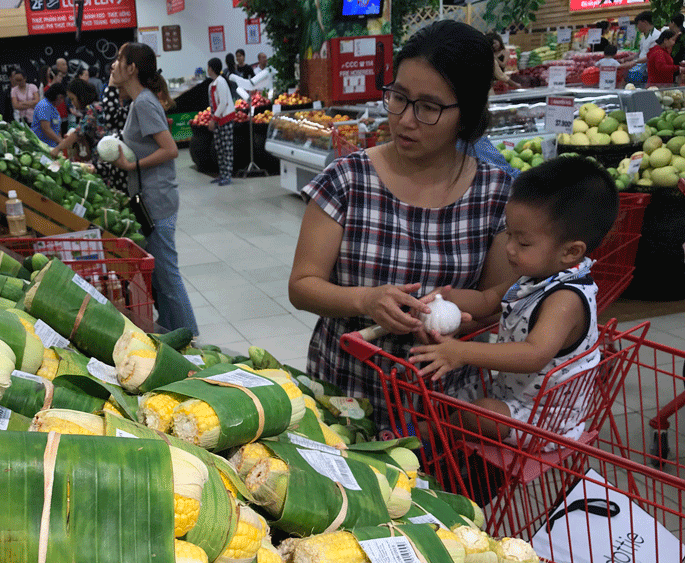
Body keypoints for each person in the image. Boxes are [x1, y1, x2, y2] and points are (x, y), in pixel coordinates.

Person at [288, 21, 513, 428]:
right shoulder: (347, 179)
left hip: (443, 406)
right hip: (348, 394)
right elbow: (302, 286)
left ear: (467, 113)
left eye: (428, 107)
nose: (406, 119)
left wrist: (454, 323)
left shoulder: (495, 193)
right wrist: (365, 300)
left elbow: (496, 301)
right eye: (398, 97)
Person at [407, 156, 619, 447]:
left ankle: (427, 435)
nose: (509, 249)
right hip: (512, 394)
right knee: (453, 395)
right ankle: (437, 435)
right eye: (509, 235)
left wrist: (461, 351)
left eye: (523, 242)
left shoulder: (566, 298)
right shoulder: (535, 276)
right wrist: (448, 296)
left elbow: (534, 354)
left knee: (480, 415)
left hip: (547, 417)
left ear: (571, 252)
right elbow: (487, 299)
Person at [110, 42, 199, 335]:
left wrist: (132, 165)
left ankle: (189, 338)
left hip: (158, 198)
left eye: (119, 60)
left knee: (167, 276)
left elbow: (170, 149)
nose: (114, 65)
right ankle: (174, 334)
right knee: (160, 277)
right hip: (151, 196)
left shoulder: (144, 103)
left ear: (132, 68)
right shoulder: (139, 101)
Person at [50, 78, 105, 162]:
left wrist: (58, 148)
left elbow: (78, 133)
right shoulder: (96, 106)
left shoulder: (92, 109)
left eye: (72, 99)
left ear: (80, 96)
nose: (72, 103)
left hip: (102, 156)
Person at [97, 69, 132, 194]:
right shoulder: (133, 105)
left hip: (132, 180)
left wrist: (112, 85)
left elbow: (111, 118)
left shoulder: (139, 105)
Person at [207, 57, 234, 186]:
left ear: (212, 69)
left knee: (226, 148)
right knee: (219, 148)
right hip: (218, 120)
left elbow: (223, 103)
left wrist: (214, 119)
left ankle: (227, 176)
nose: (207, 69)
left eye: (208, 67)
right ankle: (222, 174)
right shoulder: (212, 84)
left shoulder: (221, 82)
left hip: (225, 119)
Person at [31, 83, 65, 147]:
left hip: (51, 144)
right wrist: (61, 142)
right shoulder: (44, 106)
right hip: (42, 145)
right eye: (61, 98)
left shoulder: (53, 107)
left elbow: (56, 126)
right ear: (54, 95)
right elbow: (46, 128)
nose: (62, 101)